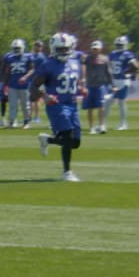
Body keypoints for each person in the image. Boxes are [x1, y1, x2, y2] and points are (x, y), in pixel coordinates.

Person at [30, 33, 85, 182]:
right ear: (54, 49)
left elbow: (76, 80)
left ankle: (47, 140)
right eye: (60, 49)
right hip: (57, 105)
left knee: (75, 142)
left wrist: (82, 87)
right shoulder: (48, 65)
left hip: (72, 104)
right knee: (67, 135)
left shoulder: (74, 62)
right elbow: (33, 86)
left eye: (65, 48)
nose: (63, 51)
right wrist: (44, 96)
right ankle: (67, 172)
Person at [104, 35, 138, 131]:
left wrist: (128, 72)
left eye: (120, 45)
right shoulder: (112, 54)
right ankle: (103, 123)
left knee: (121, 102)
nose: (119, 46)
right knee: (107, 102)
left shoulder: (128, 54)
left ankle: (123, 124)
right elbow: (108, 66)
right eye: (117, 45)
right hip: (114, 80)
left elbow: (135, 66)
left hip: (123, 80)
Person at [82, 40, 112, 134]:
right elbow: (82, 67)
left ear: (100, 49)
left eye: (97, 49)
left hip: (100, 86)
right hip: (90, 85)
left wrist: (112, 84)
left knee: (101, 106)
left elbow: (109, 72)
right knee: (90, 107)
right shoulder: (87, 59)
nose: (95, 50)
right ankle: (91, 127)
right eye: (93, 49)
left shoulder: (105, 59)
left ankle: (102, 125)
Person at [2, 39, 33, 129]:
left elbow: (32, 69)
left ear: (22, 48)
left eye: (18, 48)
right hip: (12, 85)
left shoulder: (28, 57)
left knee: (25, 105)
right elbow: (7, 72)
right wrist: (5, 84)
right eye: (14, 48)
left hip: (24, 85)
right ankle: (12, 122)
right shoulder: (9, 58)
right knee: (12, 105)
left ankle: (26, 122)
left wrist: (25, 77)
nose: (16, 50)